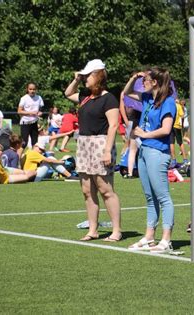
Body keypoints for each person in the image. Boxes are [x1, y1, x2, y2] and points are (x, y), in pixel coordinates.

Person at [65, 59, 121, 242]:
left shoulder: (109, 98)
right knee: (87, 190)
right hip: (84, 144)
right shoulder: (85, 96)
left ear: (98, 76)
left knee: (105, 189)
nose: (85, 78)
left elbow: (113, 125)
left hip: (101, 143)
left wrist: (107, 151)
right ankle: (93, 230)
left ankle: (116, 230)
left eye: (88, 75)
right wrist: (77, 79)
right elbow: (68, 93)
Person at [123, 67, 176, 253]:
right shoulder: (147, 98)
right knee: (149, 196)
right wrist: (133, 77)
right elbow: (127, 93)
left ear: (154, 82)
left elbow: (166, 129)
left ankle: (166, 239)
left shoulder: (168, 102)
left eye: (145, 79)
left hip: (157, 152)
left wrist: (145, 134)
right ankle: (149, 236)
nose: (142, 82)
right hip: (144, 150)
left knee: (163, 197)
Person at [119, 91, 141, 178]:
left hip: (132, 122)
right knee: (138, 149)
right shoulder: (142, 95)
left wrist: (126, 120)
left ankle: (130, 172)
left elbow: (123, 107)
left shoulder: (127, 94)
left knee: (132, 149)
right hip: (138, 123)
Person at [18, 82, 44, 148]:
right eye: (30, 89)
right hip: (25, 123)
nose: (32, 91)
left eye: (34, 89)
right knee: (24, 143)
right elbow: (19, 111)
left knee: (35, 143)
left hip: (34, 122)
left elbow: (41, 108)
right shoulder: (24, 98)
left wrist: (40, 112)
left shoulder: (39, 98)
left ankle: (33, 157)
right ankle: (18, 157)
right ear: (27, 89)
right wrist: (31, 112)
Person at [169, 98, 188, 168]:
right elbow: (182, 115)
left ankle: (173, 160)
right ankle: (185, 159)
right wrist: (182, 124)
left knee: (171, 143)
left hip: (170, 125)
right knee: (180, 142)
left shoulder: (170, 105)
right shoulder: (178, 106)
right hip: (177, 126)